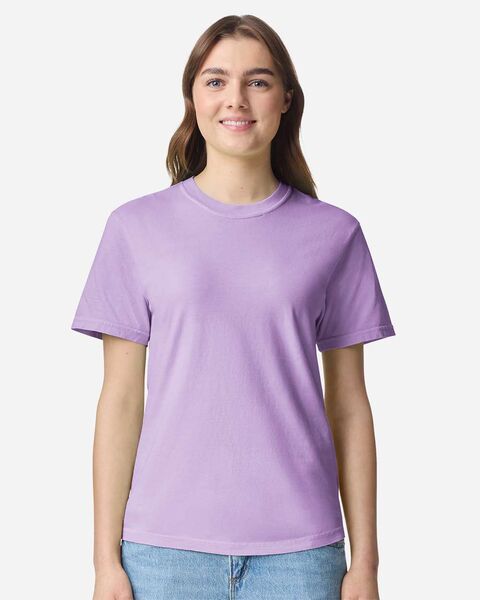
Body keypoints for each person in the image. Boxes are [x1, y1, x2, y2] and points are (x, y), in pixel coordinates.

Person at [71, 14, 396, 600]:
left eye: (258, 81)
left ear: (286, 99)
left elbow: (350, 406)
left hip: (301, 557)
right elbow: (119, 401)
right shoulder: (135, 228)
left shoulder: (335, 234)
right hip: (161, 555)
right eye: (216, 80)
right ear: (192, 97)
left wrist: (365, 565)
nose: (236, 99)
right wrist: (104, 563)